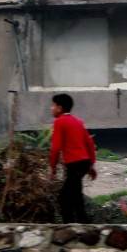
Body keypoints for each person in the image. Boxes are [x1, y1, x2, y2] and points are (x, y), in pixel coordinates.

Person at [47, 94, 97, 222]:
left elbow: (55, 148)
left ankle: (68, 227)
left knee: (64, 198)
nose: (51, 108)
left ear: (59, 107)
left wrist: (52, 168)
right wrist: (91, 165)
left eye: (53, 105)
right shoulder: (78, 121)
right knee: (75, 195)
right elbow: (90, 144)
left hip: (74, 164)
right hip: (83, 163)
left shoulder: (59, 122)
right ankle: (84, 225)